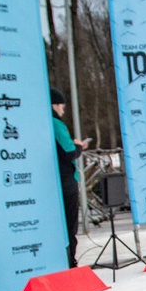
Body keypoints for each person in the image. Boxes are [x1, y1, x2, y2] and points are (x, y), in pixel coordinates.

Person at [50, 88, 89, 267]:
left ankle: (62, 259)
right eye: (61, 106)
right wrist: (79, 146)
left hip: (52, 181)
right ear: (54, 105)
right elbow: (69, 152)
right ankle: (70, 260)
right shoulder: (56, 124)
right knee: (69, 224)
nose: (63, 110)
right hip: (65, 181)